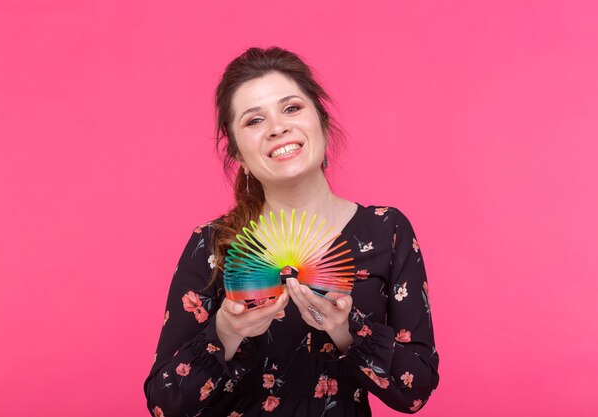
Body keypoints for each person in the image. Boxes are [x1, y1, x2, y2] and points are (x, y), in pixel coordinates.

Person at [144, 46, 439, 417]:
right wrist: (225, 332)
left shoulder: (386, 229)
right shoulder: (213, 244)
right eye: (254, 121)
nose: (277, 127)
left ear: (322, 121)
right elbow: (163, 404)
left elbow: (416, 392)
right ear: (237, 155)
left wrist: (347, 329)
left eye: (291, 108)